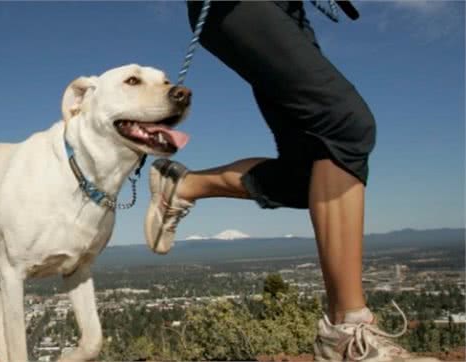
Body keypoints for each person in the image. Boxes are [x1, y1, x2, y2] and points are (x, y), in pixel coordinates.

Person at [144, 2, 438, 361]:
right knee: (344, 125)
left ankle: (185, 186)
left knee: (310, 176)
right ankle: (347, 330)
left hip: (288, 10)